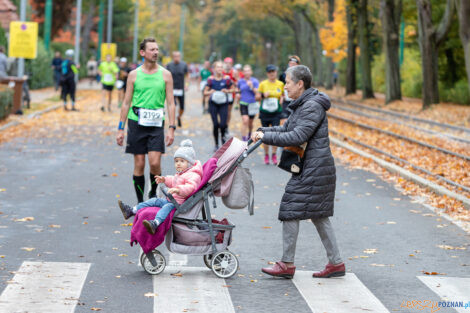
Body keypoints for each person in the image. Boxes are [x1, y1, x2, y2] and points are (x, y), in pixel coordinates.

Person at [251, 65, 344, 279]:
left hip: (314, 168)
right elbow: (286, 129)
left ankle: (287, 264)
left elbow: (296, 137)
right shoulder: (304, 104)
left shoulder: (311, 106)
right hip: (314, 166)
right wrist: (263, 131)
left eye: (288, 82)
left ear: (300, 84)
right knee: (319, 215)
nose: (285, 87)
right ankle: (336, 263)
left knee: (290, 208)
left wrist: (265, 138)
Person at [116, 37, 176, 203]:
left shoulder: (166, 75)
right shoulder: (134, 75)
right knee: (140, 163)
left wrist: (171, 128)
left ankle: (152, 195)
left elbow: (171, 103)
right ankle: (140, 201)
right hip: (136, 123)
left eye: (157, 49)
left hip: (156, 123)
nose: (156, 52)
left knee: (155, 162)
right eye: (152, 49)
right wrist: (120, 128)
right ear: (143, 52)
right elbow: (126, 102)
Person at [118, 139, 202, 234]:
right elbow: (174, 180)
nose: (178, 163)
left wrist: (178, 190)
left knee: (165, 208)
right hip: (171, 199)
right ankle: (132, 210)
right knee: (154, 200)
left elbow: (191, 188)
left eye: (182, 161)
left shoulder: (193, 175)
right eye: (176, 161)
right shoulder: (182, 173)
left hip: (178, 204)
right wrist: (164, 179)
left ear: (190, 163)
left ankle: (155, 223)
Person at [256, 64, 284, 165]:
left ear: (276, 72)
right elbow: (257, 97)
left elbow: (283, 95)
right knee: (265, 134)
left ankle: (274, 155)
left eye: (273, 71)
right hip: (265, 112)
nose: (272, 73)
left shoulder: (280, 84)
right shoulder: (263, 84)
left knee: (276, 134)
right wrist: (263, 95)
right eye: (270, 72)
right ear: (267, 73)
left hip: (276, 112)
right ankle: (266, 155)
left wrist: (281, 99)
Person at [204, 61, 233, 151]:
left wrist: (227, 91)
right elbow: (205, 92)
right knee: (216, 124)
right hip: (213, 104)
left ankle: (223, 138)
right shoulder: (210, 79)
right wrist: (210, 92)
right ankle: (216, 144)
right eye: (218, 67)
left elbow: (234, 89)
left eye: (221, 67)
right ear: (214, 69)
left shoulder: (227, 79)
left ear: (223, 69)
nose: (219, 69)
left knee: (223, 124)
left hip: (223, 104)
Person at [166, 51, 189, 127]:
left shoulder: (184, 65)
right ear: (173, 57)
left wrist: (186, 85)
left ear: (180, 57)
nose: (176, 58)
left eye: (178, 56)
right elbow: (165, 76)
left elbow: (187, 75)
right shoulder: (169, 65)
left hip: (180, 88)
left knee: (182, 107)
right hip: (171, 88)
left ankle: (179, 116)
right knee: (172, 105)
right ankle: (172, 122)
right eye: (175, 56)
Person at [237, 65, 259, 141]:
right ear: (243, 72)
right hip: (243, 103)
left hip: (252, 103)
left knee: (250, 122)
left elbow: (257, 93)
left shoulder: (255, 81)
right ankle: (244, 139)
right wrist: (238, 94)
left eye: (248, 71)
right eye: (245, 71)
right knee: (245, 120)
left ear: (251, 72)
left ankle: (250, 133)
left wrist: (252, 86)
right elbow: (238, 90)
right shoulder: (240, 81)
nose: (247, 72)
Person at [279, 55, 300, 124]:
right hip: (286, 100)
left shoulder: (301, 75)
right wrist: (281, 96)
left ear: (297, 65)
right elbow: (280, 86)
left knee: (294, 121)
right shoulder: (283, 75)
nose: (292, 65)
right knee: (284, 120)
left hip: (296, 101)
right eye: (290, 63)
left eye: (294, 64)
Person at [222, 57, 238, 131]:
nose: (228, 65)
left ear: (232, 64)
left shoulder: (234, 72)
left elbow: (237, 84)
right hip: (222, 93)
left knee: (228, 111)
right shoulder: (221, 72)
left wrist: (233, 79)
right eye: (226, 63)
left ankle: (226, 126)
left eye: (229, 63)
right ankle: (222, 123)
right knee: (222, 110)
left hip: (231, 94)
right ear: (224, 64)